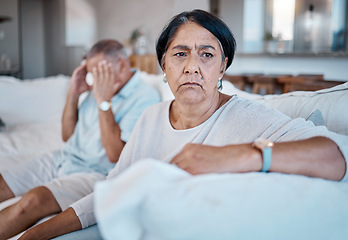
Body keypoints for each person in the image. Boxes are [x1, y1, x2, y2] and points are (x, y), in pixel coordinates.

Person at [18, 9, 348, 240]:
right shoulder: (150, 118)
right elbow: (109, 193)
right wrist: (35, 234)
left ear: (223, 67)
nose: (192, 67)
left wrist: (244, 155)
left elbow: (336, 156)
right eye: (179, 54)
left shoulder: (249, 117)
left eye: (207, 55)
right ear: (163, 65)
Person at [0, 39, 161, 240]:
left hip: (94, 172)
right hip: (62, 159)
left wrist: (104, 101)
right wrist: (74, 94)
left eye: (100, 71)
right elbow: (67, 136)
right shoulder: (98, 89)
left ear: (120, 63)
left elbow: (115, 155)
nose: (96, 79)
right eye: (93, 73)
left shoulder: (144, 97)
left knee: (31, 201)